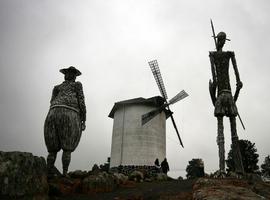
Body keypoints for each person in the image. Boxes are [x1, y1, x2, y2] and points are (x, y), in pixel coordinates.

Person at [209, 32, 244, 175]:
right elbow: (238, 81)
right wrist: (236, 92)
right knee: (232, 134)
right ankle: (237, 169)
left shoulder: (214, 55)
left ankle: (224, 169)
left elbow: (215, 78)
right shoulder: (229, 55)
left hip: (222, 94)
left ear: (219, 41)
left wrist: (213, 93)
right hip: (229, 94)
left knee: (223, 133)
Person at [44, 66, 86, 177]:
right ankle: (64, 173)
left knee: (52, 149)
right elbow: (81, 101)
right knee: (67, 147)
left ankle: (49, 172)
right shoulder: (77, 85)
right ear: (74, 76)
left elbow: (51, 101)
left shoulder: (57, 88)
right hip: (70, 113)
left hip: (53, 112)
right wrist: (83, 119)